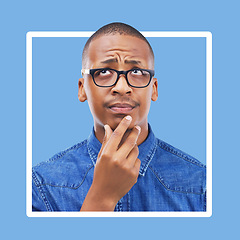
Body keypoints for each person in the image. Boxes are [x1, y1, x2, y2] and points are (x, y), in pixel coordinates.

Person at [32, 22, 206, 212]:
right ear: (82, 89)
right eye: (104, 72)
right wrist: (102, 196)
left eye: (137, 72)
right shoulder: (41, 185)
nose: (122, 87)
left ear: (154, 89)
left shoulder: (201, 184)